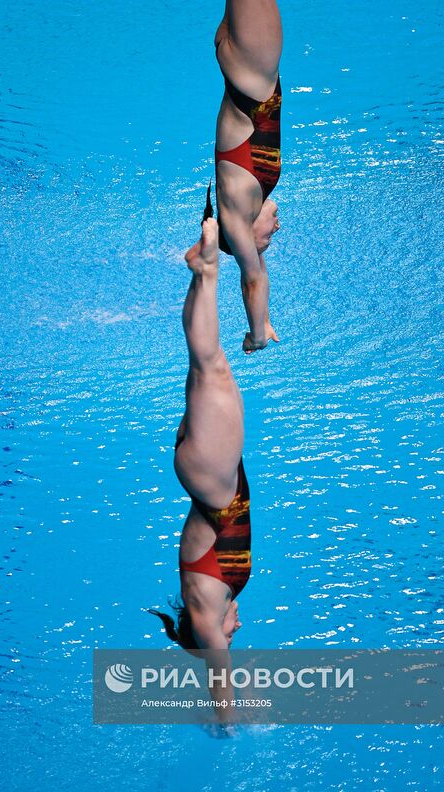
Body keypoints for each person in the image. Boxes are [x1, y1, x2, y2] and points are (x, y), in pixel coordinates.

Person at [149, 217, 250, 651]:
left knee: (210, 366)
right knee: (210, 367)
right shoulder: (212, 602)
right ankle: (202, 272)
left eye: (228, 638)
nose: (235, 630)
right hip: (214, 478)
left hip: (213, 482)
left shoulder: (206, 612)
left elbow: (220, 684)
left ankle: (207, 271)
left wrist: (228, 721)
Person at [214, 0, 283, 355]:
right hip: (248, 73)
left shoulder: (239, 220)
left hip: (252, 77)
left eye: (266, 242)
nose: (275, 234)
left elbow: (253, 279)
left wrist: (258, 334)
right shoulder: (254, 198)